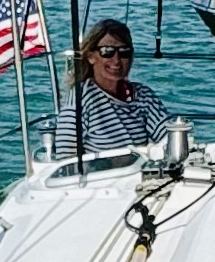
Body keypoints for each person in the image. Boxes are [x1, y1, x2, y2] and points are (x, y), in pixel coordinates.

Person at [59, 19, 177, 163]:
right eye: (107, 52)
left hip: (138, 178)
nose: (116, 60)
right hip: (100, 180)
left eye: (124, 52)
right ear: (91, 57)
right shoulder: (81, 99)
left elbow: (170, 137)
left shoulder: (143, 96)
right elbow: (65, 159)